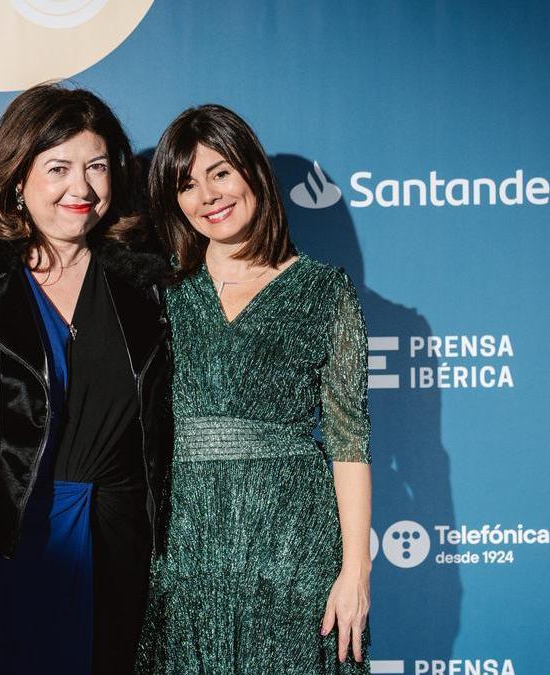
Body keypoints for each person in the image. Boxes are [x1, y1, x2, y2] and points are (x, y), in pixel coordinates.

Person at [0, 83, 172, 675]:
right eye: (59, 168)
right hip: (3, 545)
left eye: (97, 167)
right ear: (18, 177)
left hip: (123, 548)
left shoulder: (142, 270)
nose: (83, 188)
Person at [137, 104, 373, 674]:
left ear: (252, 172)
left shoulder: (324, 291)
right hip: (184, 547)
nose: (208, 196)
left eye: (219, 172)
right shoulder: (158, 291)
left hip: (293, 547)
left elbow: (349, 442)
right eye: (187, 185)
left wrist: (355, 573)